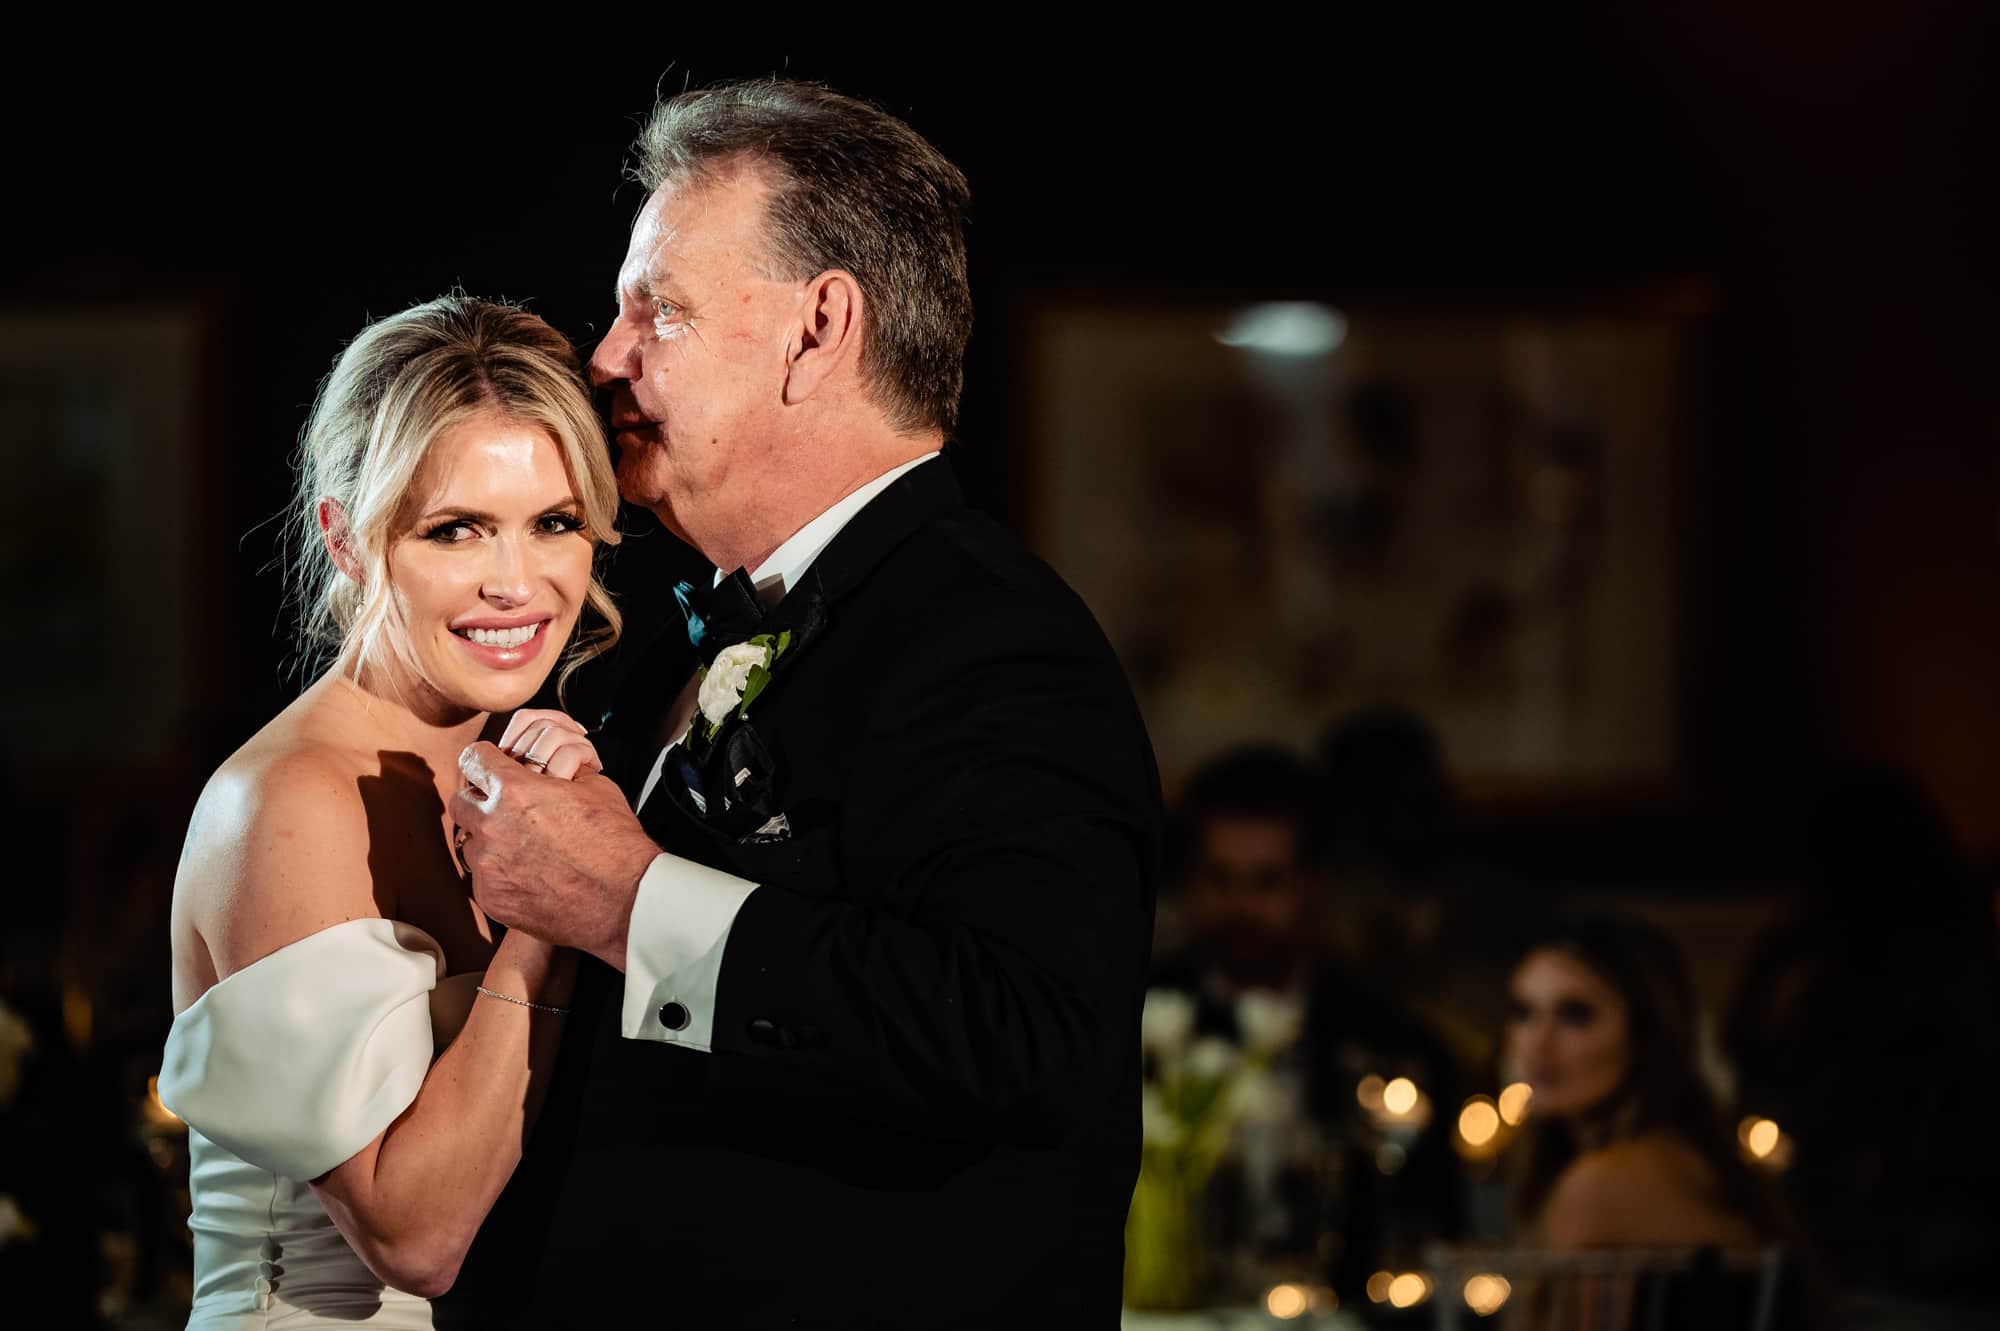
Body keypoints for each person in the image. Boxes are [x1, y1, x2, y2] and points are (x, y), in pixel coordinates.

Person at [443, 79, 1162, 1328]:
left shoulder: (992, 636)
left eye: (655, 309)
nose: (604, 355)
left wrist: (625, 900)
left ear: (818, 329)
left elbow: (1030, 1035)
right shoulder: (664, 631)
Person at [158, 296, 624, 1328]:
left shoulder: (515, 764)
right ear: (350, 541)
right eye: (455, 529)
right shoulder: (288, 798)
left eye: (552, 522)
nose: (517, 583)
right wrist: (552, 917)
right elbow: (415, 1236)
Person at [1148, 745, 1464, 1304]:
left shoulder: (1391, 1041)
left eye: (1267, 882)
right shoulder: (1140, 1020)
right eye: (1219, 879)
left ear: (1314, 887)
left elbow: (1429, 1221)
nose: (1241, 907)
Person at [1504, 913, 1818, 1326]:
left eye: (1575, 1014)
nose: (1538, 1042)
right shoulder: (1683, 1155)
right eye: (1523, 1012)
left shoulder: (1602, 1183)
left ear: (1648, 1032)